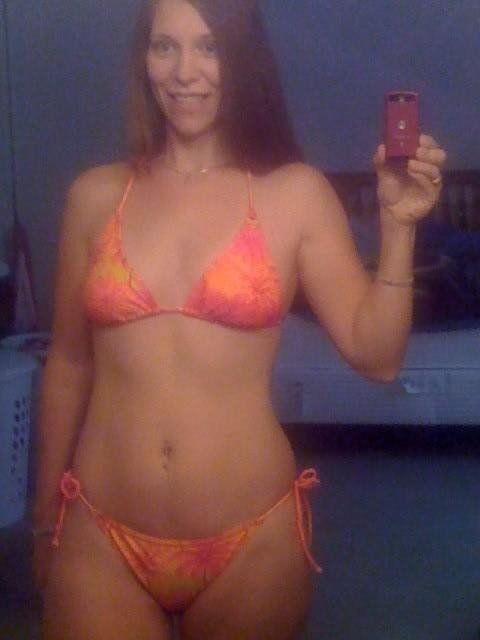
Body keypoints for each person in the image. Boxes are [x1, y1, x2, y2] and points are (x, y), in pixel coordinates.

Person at [32, 0, 446, 638]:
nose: (185, 71)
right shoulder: (94, 196)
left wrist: (398, 227)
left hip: (252, 540)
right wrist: (44, 517)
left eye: (210, 46)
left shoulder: (294, 194)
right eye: (165, 46)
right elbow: (67, 363)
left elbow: (378, 356)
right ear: (144, 60)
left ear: (243, 60)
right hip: (100, 530)